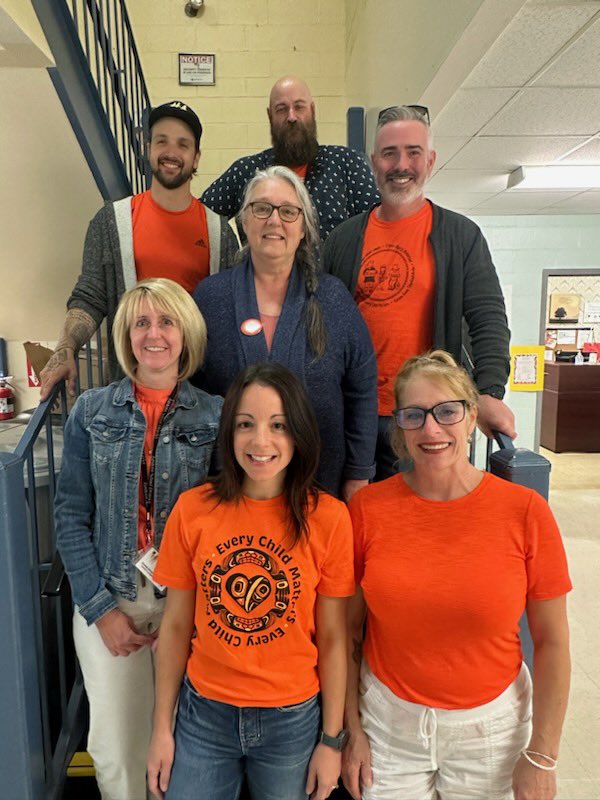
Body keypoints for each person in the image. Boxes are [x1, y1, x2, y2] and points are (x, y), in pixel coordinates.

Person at [343, 350, 571, 800]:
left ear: (472, 420)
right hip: (389, 729)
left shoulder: (524, 513)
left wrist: (542, 754)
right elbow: (346, 634)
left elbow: (553, 642)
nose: (431, 429)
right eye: (414, 415)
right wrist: (351, 732)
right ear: (400, 430)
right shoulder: (367, 510)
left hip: (491, 734)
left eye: (447, 411)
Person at [147, 362, 354, 800]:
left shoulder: (330, 518)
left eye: (278, 425)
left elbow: (335, 637)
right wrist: (161, 729)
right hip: (204, 714)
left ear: (298, 433)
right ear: (229, 433)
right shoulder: (193, 509)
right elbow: (177, 626)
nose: (261, 441)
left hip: (292, 719)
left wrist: (332, 740)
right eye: (246, 424)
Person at [55, 278, 222, 800]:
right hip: (111, 600)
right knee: (118, 750)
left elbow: (226, 522)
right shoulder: (92, 411)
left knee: (184, 746)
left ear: (185, 333)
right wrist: (102, 610)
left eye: (166, 321)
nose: (154, 334)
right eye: (141, 323)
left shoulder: (216, 414)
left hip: (186, 607)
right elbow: (69, 516)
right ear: (127, 337)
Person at [323, 105, 515, 480]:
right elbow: (321, 329)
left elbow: (488, 318)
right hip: (354, 416)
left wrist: (489, 391)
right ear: (374, 162)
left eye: (413, 152)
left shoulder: (460, 236)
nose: (401, 165)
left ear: (430, 161)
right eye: (390, 153)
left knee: (419, 526)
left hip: (426, 418)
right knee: (355, 524)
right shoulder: (342, 240)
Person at [193, 165, 377, 501]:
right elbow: (191, 391)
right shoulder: (210, 298)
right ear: (244, 222)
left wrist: (359, 472)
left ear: (304, 227)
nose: (274, 220)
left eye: (288, 211)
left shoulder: (333, 298)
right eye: (261, 208)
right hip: (232, 487)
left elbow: (362, 389)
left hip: (319, 484)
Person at [40, 100, 238, 398]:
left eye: (183, 144)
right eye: (162, 141)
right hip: (129, 397)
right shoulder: (111, 223)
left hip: (199, 398)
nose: (171, 152)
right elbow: (89, 296)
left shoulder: (219, 232)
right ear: (148, 148)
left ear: (196, 158)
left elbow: (230, 313)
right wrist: (65, 348)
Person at [201, 76, 379, 242]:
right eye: (282, 109)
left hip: (331, 275)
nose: (291, 116)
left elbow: (380, 227)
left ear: (312, 110)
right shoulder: (246, 171)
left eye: (299, 107)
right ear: (270, 116)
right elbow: (200, 218)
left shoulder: (348, 164)